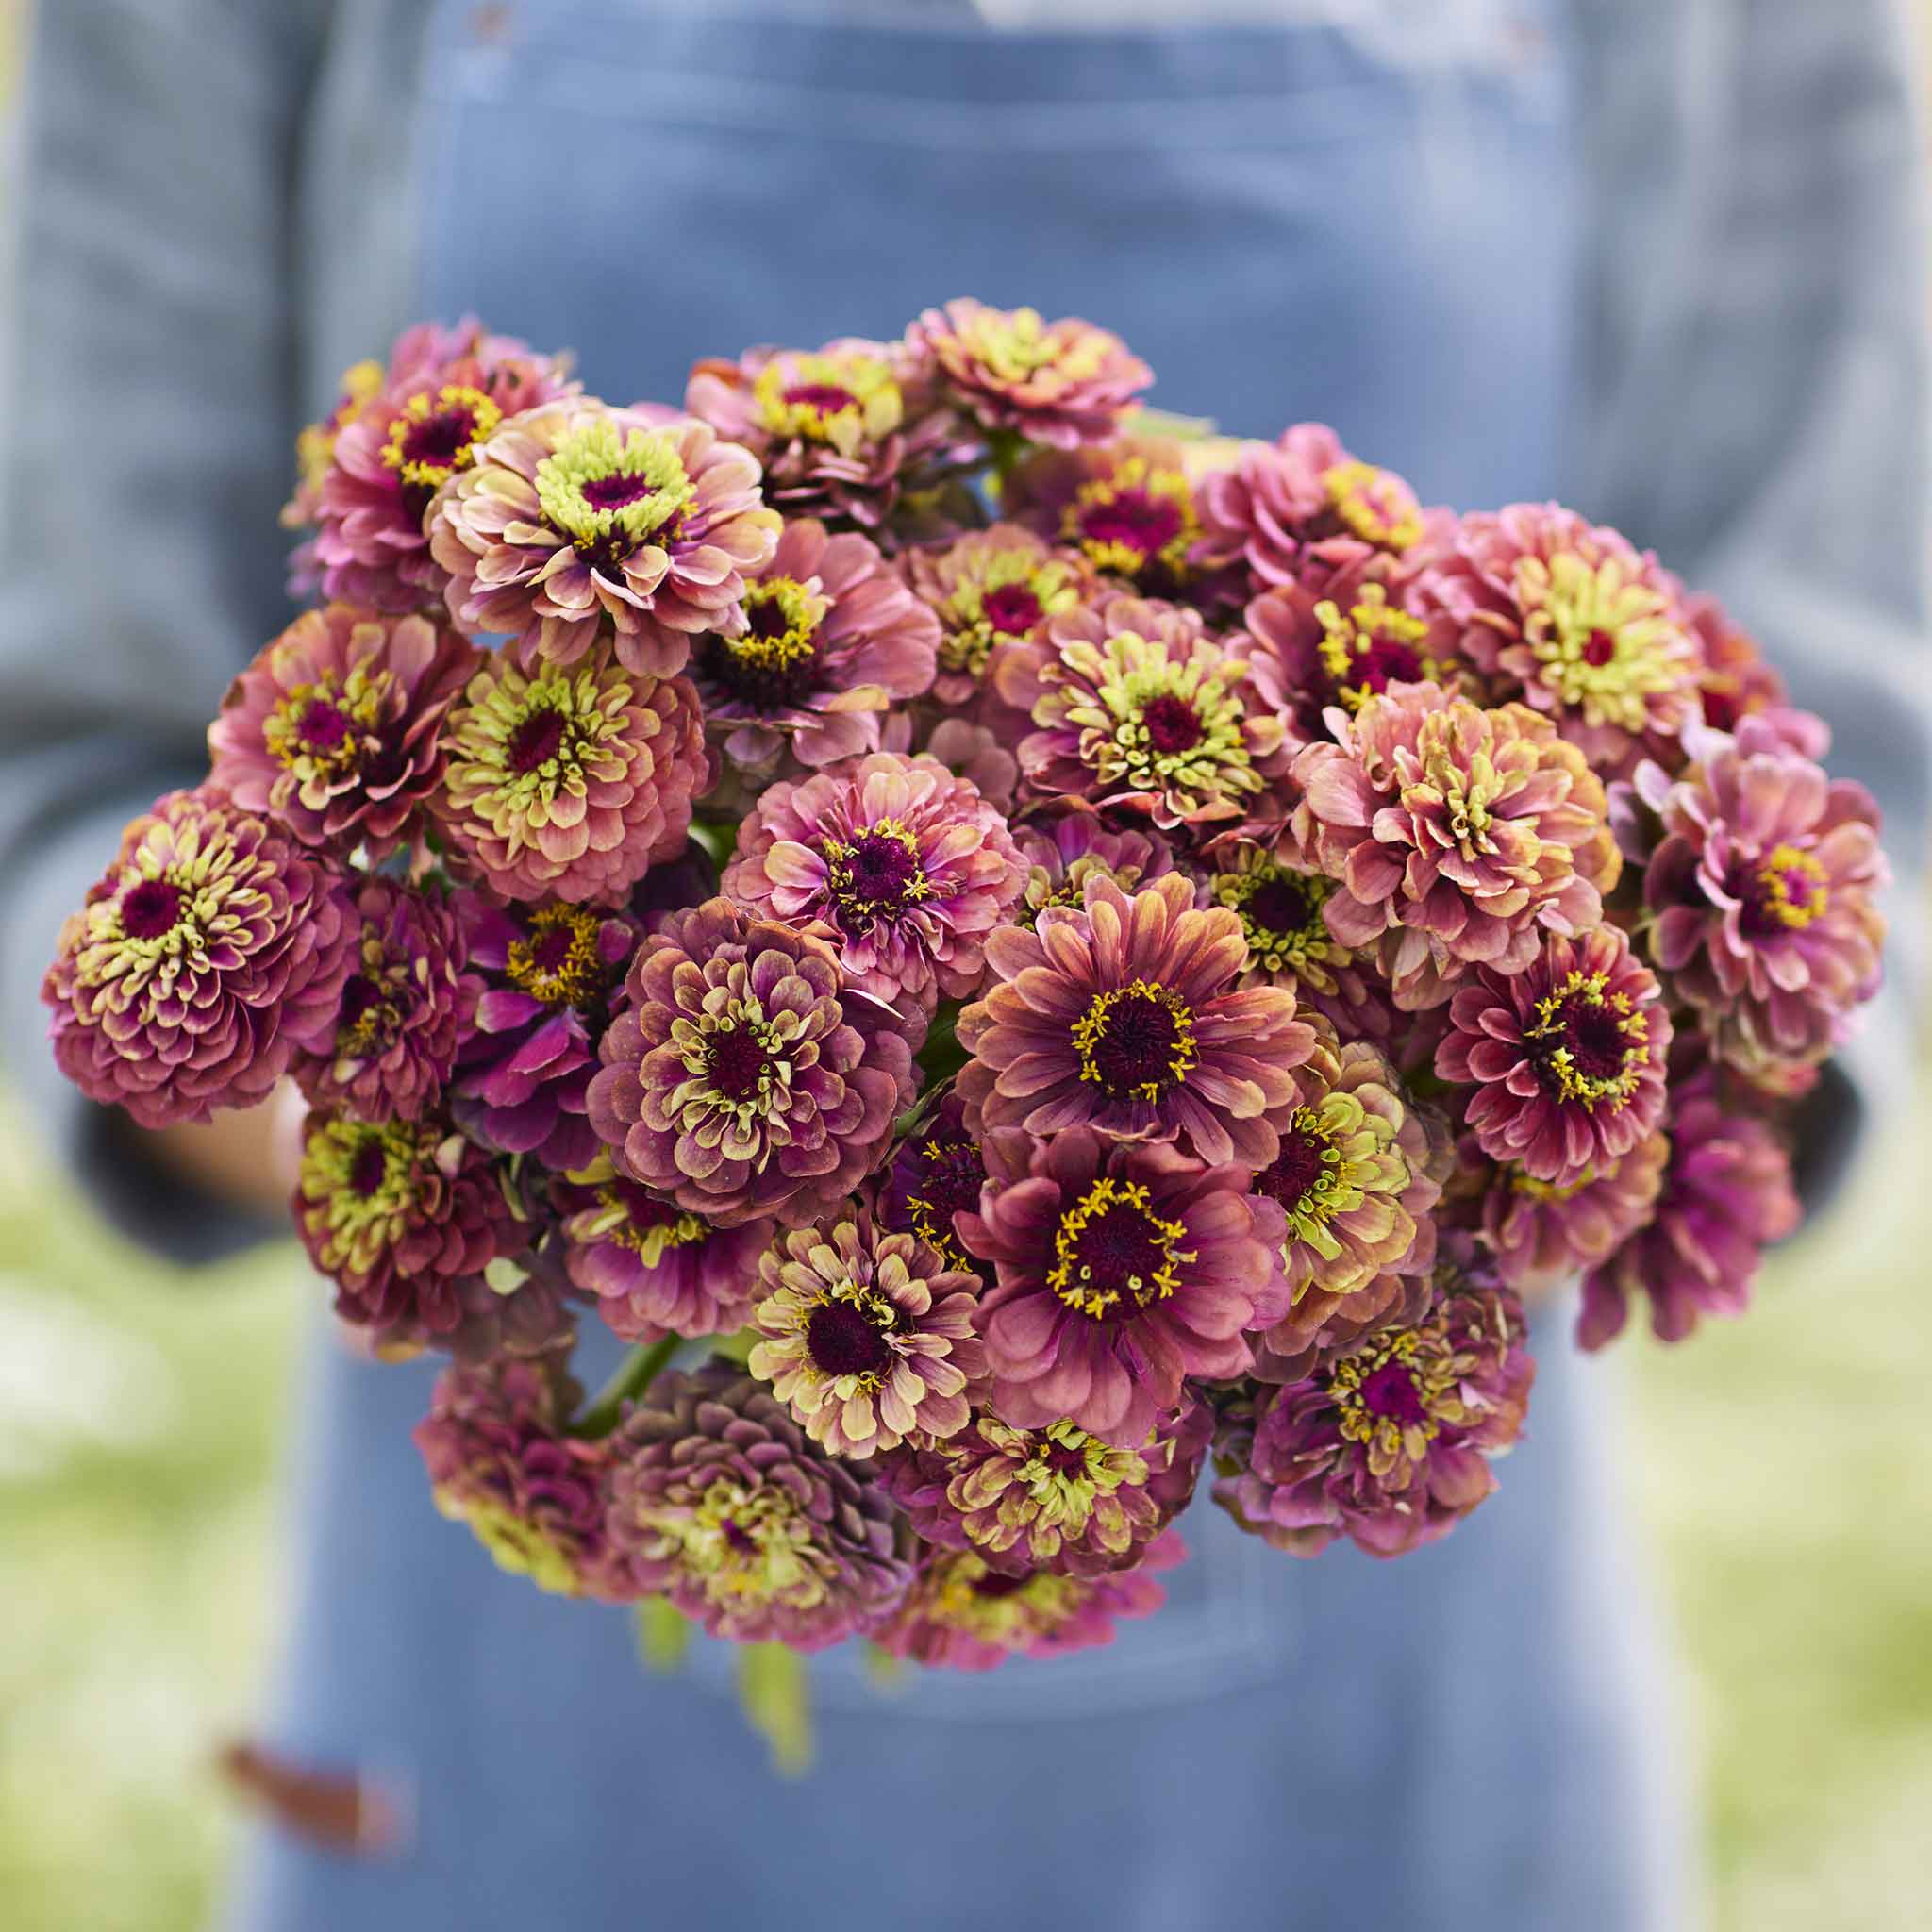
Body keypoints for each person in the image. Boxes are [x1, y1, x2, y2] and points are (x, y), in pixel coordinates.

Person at [1, 2, 1924, 1927]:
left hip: (1390, 1650)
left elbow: (1849, 780)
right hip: (528, 1666)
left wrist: (1482, 1155)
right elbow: (67, 761)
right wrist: (465, 1112)